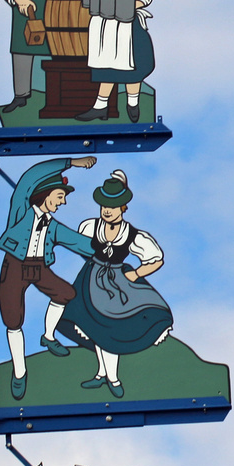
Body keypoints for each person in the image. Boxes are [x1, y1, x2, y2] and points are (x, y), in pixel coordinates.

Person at [55, 170, 173, 398]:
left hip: (118, 285)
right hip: (90, 282)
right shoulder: (91, 227)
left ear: (123, 208)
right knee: (96, 327)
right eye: (103, 206)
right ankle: (102, 374)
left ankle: (113, 378)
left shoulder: (132, 235)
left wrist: (136, 273)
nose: (107, 211)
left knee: (109, 328)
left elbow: (156, 259)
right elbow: (82, 247)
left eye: (112, 206)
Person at [0, 156, 98, 400]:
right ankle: (19, 372)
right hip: (15, 266)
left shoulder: (52, 226)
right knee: (13, 320)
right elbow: (30, 177)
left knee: (65, 293)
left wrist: (111, 252)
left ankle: (48, 336)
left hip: (39, 267)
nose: (63, 202)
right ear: (45, 194)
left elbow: (79, 242)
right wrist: (71, 162)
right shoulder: (21, 210)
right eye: (60, 196)